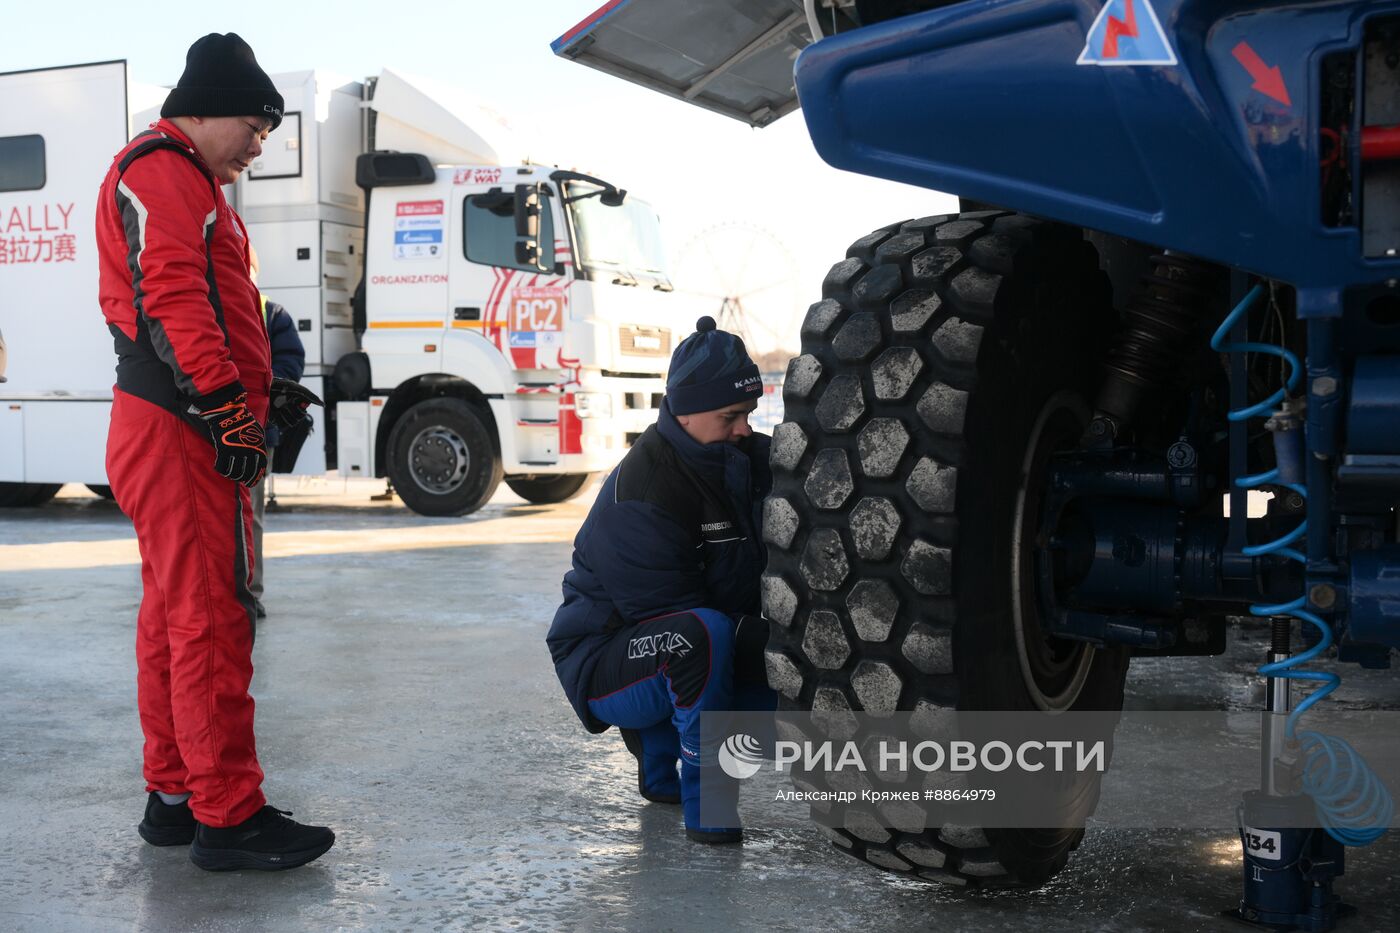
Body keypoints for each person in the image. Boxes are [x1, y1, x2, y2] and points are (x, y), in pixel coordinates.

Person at [97, 32, 329, 872]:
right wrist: (227, 405)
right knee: (210, 620)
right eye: (255, 125)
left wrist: (269, 389)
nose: (261, 143)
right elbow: (172, 296)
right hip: (179, 429)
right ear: (206, 110)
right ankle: (229, 814)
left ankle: (175, 795)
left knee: (171, 616)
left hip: (171, 422)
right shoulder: (163, 171)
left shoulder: (196, 185)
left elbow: (231, 309)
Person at [546, 316, 777, 843]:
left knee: (789, 693)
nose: (745, 428)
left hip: (681, 636)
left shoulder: (743, 457)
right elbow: (667, 615)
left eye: (749, 413)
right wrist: (781, 648)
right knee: (701, 639)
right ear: (688, 411)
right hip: (604, 657)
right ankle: (709, 812)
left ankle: (658, 754)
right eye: (731, 416)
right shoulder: (643, 491)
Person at [246, 245, 307, 619]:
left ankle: (250, 595)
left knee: (249, 517)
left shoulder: (271, 313)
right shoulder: (208, 303)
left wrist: (260, 384)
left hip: (255, 430)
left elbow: (290, 361)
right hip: (210, 429)